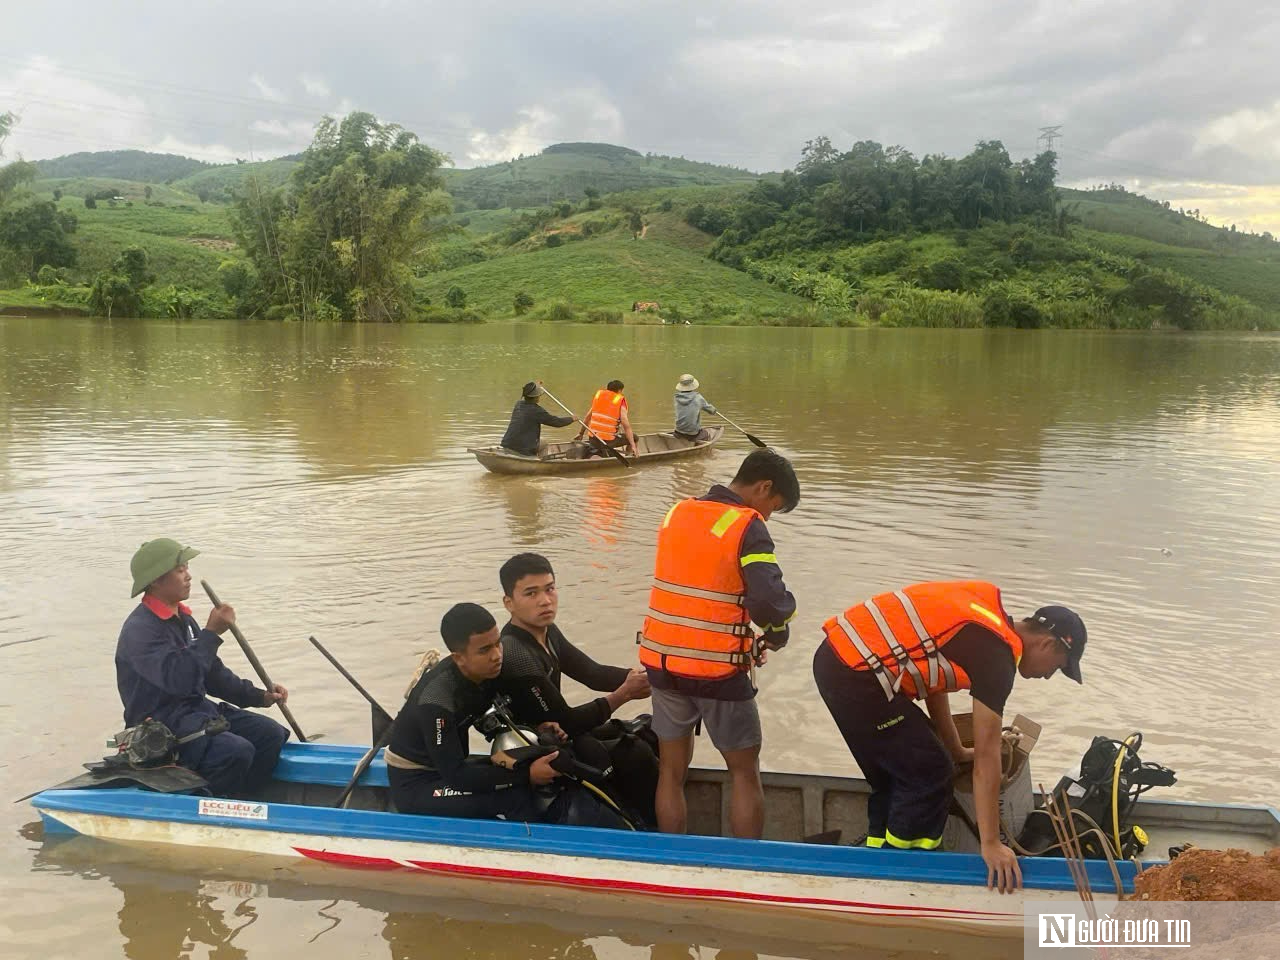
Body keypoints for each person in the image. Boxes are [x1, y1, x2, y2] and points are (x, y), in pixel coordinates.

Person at [813, 581, 1087, 894]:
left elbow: (934, 683)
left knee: (899, 773)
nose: (1049, 676)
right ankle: (905, 878)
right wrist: (991, 844)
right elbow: (987, 755)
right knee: (929, 772)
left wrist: (955, 747)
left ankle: (881, 859)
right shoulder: (997, 658)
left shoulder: (983, 620)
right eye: (1059, 668)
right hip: (856, 675)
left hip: (841, 661)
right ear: (1049, 645)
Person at [638, 449, 800, 838]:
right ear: (764, 487)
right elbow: (767, 600)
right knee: (744, 772)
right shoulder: (747, 525)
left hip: (663, 663)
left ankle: (672, 857)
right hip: (717, 670)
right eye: (773, 506)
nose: (769, 516)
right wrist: (778, 633)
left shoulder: (677, 512)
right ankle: (747, 864)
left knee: (671, 771)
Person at [115, 538, 290, 798]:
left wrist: (259, 696)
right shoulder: (140, 630)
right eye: (180, 570)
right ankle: (209, 808)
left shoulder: (183, 619)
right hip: (161, 724)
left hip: (197, 712)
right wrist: (210, 634)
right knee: (235, 751)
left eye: (186, 568)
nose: (188, 576)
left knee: (271, 735)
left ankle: (245, 803)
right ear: (156, 580)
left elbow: (212, 674)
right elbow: (179, 680)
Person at [496, 552, 656, 823]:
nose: (545, 601)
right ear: (509, 603)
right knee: (635, 753)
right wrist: (626, 693)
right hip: (543, 748)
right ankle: (647, 832)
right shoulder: (516, 654)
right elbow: (567, 721)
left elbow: (591, 674)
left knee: (650, 730)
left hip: (568, 733)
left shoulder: (547, 631)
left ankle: (652, 824)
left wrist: (648, 677)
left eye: (550, 589)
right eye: (531, 593)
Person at [386, 602, 561, 820]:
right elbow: (457, 776)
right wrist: (528, 775)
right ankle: (537, 847)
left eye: (498, 644)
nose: (497, 655)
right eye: (485, 650)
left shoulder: (484, 673)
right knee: (514, 796)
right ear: (459, 657)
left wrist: (539, 725)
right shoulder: (436, 699)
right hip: (417, 783)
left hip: (449, 766)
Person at [500, 381, 575, 457]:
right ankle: (540, 461)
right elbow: (557, 422)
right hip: (523, 448)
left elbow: (528, 389)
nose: (539, 396)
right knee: (544, 443)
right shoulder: (537, 411)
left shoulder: (518, 404)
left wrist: (536, 386)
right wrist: (571, 419)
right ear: (535, 397)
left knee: (541, 441)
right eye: (538, 395)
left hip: (507, 444)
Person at [578, 379, 639, 458]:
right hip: (608, 441)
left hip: (593, 439)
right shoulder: (619, 400)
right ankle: (629, 456)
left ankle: (600, 453)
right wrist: (633, 445)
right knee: (635, 438)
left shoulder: (600, 397)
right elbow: (626, 425)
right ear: (620, 390)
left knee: (609, 438)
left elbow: (587, 417)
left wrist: (581, 433)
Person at [672, 373, 717, 442]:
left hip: (678, 432)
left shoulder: (676, 397)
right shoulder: (698, 397)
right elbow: (711, 410)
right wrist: (714, 410)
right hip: (692, 434)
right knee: (706, 434)